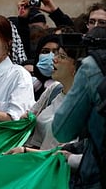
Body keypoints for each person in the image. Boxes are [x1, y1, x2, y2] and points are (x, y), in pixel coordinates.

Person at [53, 27, 106, 188]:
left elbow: (62, 130)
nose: (54, 59)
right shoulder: (53, 91)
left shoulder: (93, 67)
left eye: (62, 55)